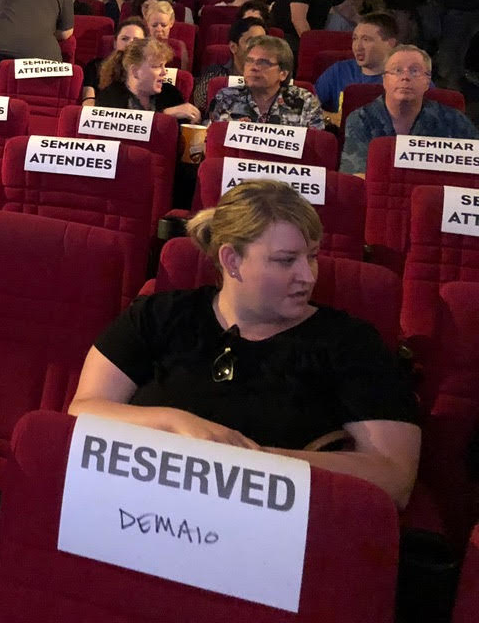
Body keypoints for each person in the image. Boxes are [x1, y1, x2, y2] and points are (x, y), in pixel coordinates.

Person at [67, 179, 420, 507]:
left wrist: (247, 464)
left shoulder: (350, 342)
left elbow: (393, 475)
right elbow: (84, 410)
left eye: (312, 256)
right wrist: (175, 424)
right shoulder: (160, 315)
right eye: (286, 261)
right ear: (231, 261)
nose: (308, 276)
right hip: (135, 508)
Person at [340, 45, 479, 175]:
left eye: (415, 71)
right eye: (397, 70)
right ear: (384, 80)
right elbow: (356, 177)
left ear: (427, 81)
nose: (405, 77)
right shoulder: (361, 119)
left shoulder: (454, 121)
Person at [208, 35, 324, 129]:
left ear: (283, 73)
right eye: (249, 61)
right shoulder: (225, 98)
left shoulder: (305, 102)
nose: (254, 67)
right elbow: (212, 144)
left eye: (263, 62)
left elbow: (314, 152)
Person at [94, 38, 201, 122]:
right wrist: (164, 115)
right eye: (157, 66)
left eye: (164, 65)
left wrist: (193, 120)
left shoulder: (171, 95)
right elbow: (124, 129)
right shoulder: (110, 97)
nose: (164, 72)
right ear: (135, 71)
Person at [313, 13, 400, 114]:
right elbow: (308, 109)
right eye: (355, 39)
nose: (357, 47)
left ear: (390, 44)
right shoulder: (339, 71)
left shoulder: (403, 80)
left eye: (366, 39)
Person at [191, 16, 268, 112]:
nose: (258, 47)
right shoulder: (215, 74)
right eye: (251, 42)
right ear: (233, 47)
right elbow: (200, 103)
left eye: (263, 42)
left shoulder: (271, 78)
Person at [82, 17, 148, 105]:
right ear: (115, 43)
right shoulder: (95, 66)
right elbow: (88, 102)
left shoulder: (152, 71)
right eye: (124, 39)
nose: (130, 44)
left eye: (136, 40)